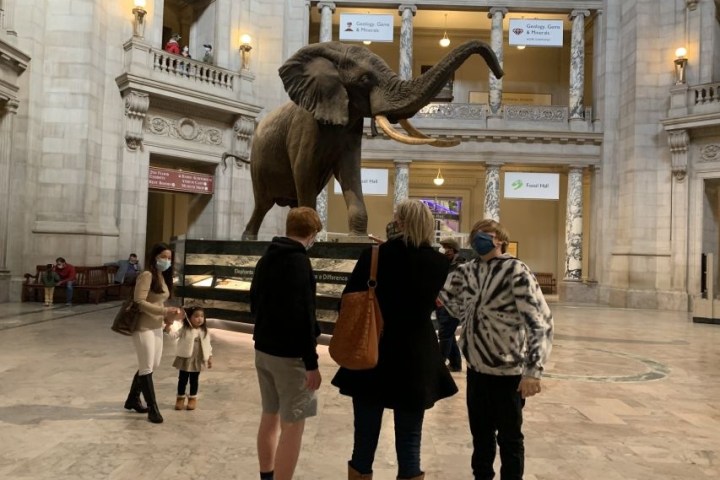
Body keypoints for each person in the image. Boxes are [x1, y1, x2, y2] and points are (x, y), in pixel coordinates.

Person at [332, 199, 458, 480]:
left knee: (364, 439)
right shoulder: (439, 262)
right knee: (410, 440)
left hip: (373, 351)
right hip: (417, 356)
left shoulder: (374, 256)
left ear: (399, 222)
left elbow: (346, 303)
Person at [439, 219, 554, 480]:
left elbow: (540, 322)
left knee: (510, 440)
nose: (479, 238)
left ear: (500, 239)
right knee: (480, 439)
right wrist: (469, 317)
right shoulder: (466, 270)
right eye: (475, 234)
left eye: (485, 234)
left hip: (508, 374)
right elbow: (446, 298)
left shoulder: (516, 270)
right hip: (476, 371)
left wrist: (533, 371)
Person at [250, 207, 323, 480]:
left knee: (269, 415)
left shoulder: (267, 257)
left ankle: (266, 476)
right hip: (290, 356)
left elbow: (254, 301)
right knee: (293, 426)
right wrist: (312, 363)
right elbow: (303, 314)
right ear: (313, 232)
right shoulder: (299, 262)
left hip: (263, 347)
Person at [123, 242, 184, 424]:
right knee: (147, 367)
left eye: (169, 258)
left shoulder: (161, 275)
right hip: (143, 326)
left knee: (152, 364)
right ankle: (153, 409)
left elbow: (158, 302)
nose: (166, 261)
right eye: (163, 257)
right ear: (155, 257)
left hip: (156, 325)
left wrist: (167, 317)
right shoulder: (147, 275)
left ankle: (132, 399)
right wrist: (164, 312)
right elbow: (139, 301)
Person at [164, 306, 213, 411]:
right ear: (189, 318)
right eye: (196, 316)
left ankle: (192, 398)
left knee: (194, 380)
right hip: (185, 358)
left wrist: (209, 357)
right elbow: (174, 336)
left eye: (202, 316)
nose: (199, 319)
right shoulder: (185, 329)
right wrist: (168, 328)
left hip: (198, 359)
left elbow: (208, 345)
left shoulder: (205, 331)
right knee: (182, 379)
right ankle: (180, 398)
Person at [435, 238, 465, 372]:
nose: (444, 250)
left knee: (444, 335)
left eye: (446, 247)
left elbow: (454, 288)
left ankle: (439, 366)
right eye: (443, 247)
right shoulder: (446, 264)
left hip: (451, 306)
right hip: (442, 304)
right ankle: (455, 364)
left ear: (453, 250)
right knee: (449, 335)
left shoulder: (460, 266)